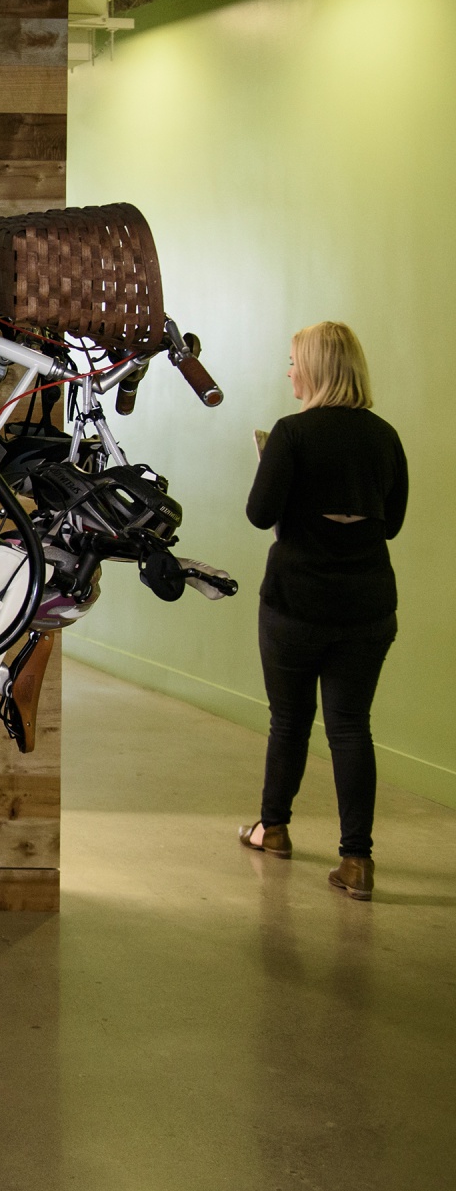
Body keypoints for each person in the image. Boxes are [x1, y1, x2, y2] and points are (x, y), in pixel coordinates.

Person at [239, 322, 407, 901]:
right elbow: (395, 521)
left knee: (289, 721)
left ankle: (273, 829)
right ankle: (357, 862)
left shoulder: (291, 434)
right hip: (366, 605)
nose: (288, 370)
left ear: (314, 369)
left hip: (296, 603)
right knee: (351, 728)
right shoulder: (385, 437)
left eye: (292, 361)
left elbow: (260, 515)